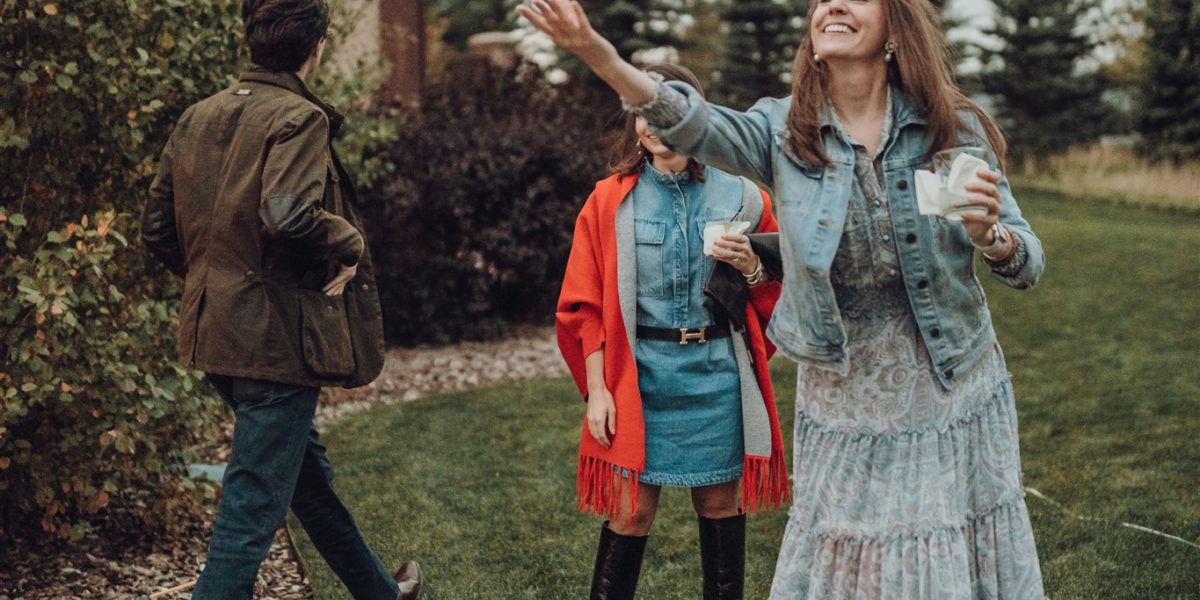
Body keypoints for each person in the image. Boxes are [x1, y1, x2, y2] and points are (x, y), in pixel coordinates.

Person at [524, 0, 1047, 598]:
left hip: (949, 385)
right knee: (861, 567)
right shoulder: (782, 132)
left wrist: (992, 237)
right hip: (844, 399)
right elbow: (691, 122)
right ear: (814, 37)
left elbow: (1027, 264)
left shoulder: (952, 127)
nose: (833, 5)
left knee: (940, 561)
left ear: (895, 26)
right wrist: (598, 52)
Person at [142, 1, 421, 598]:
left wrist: (218, 287)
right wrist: (349, 242)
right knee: (249, 510)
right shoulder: (298, 117)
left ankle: (380, 592)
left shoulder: (198, 116)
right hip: (276, 345)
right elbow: (287, 214)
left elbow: (159, 232)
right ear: (316, 45)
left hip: (216, 337)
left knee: (304, 481)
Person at [556, 63, 790, 600]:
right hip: (639, 381)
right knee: (629, 514)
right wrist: (598, 389)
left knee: (720, 509)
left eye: (665, 113)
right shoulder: (607, 202)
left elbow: (777, 295)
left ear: (693, 118)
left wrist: (752, 265)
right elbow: (582, 306)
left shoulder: (745, 200)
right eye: (642, 113)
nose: (651, 125)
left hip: (717, 380)